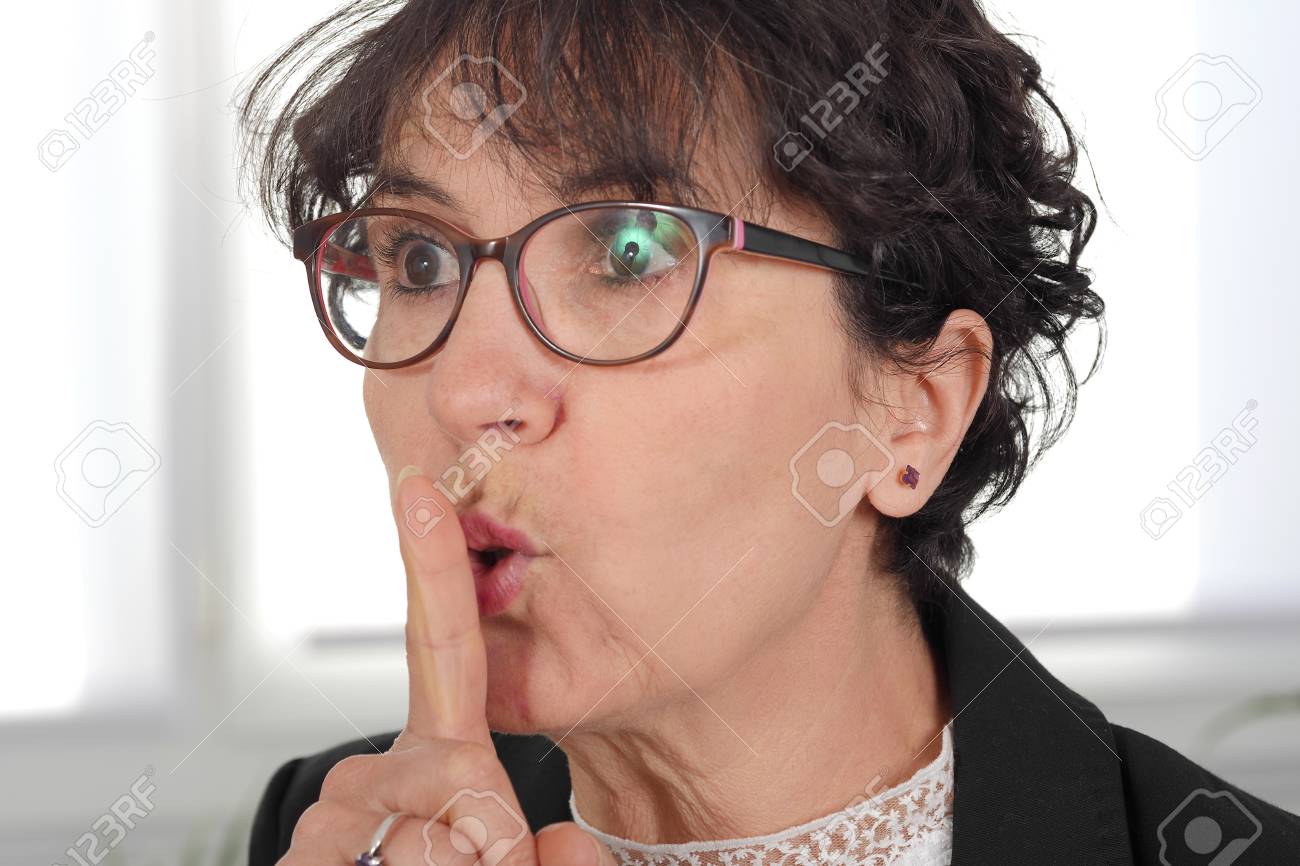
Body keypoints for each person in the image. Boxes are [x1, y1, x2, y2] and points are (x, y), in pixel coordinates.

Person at [239, 1, 1300, 863]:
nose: (465, 392)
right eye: (417, 259)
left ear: (914, 407)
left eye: (629, 251)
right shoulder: (345, 833)